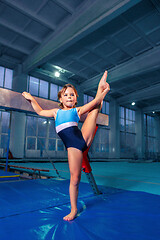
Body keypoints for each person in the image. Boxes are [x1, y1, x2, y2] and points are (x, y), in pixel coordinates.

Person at [22, 71, 110, 221]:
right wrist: (31, 99)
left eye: (72, 95)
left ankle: (100, 86)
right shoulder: (56, 112)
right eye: (66, 94)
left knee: (95, 108)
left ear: (75, 99)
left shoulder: (77, 110)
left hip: (83, 138)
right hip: (73, 148)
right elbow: (40, 111)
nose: (70, 97)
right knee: (75, 179)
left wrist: (104, 90)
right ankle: (74, 209)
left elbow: (95, 102)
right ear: (61, 99)